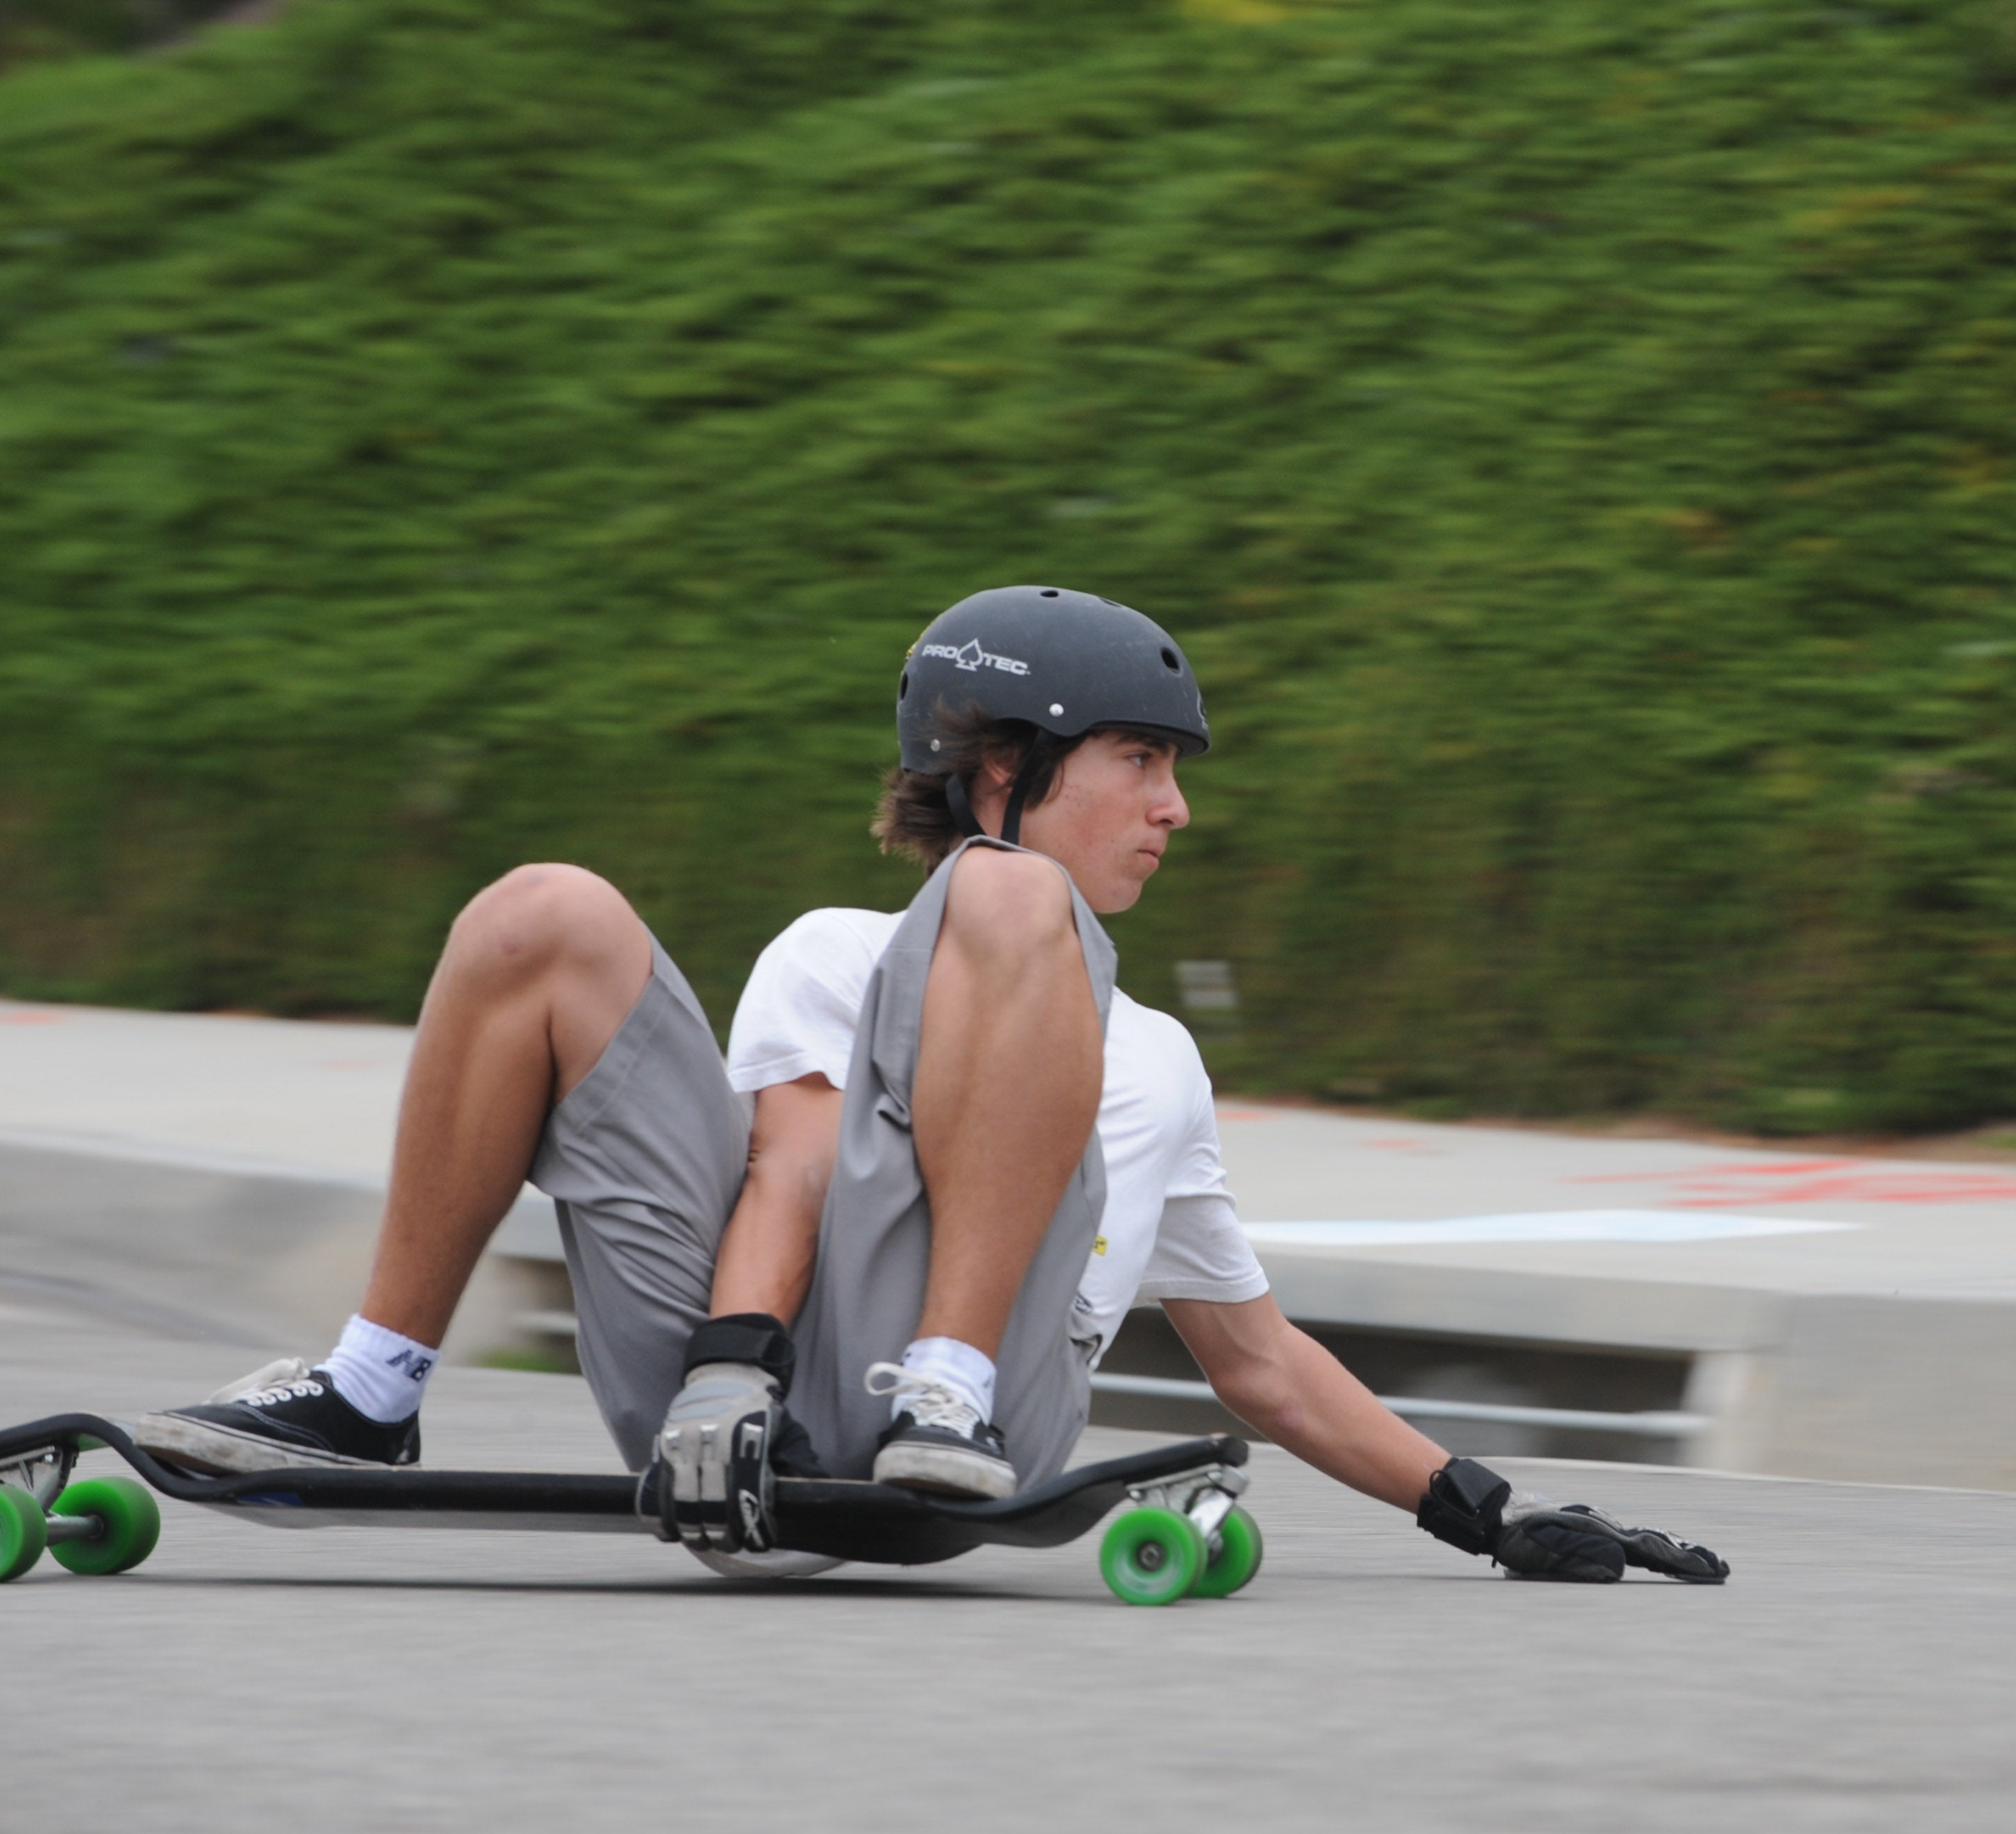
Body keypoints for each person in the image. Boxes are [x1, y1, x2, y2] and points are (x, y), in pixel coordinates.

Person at [138, 585, 1726, 1586]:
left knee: (1014, 904)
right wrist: (726, 1376)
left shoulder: (1161, 1061)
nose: (1175, 810)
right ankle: (370, 1389)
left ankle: (946, 1382)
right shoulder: (839, 948)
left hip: (982, 1428)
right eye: (1139, 762)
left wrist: (1492, 1511)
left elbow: (1257, 1363)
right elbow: (790, 1169)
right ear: (999, 773)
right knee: (541, 911)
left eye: (1177, 774)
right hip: (731, 1390)